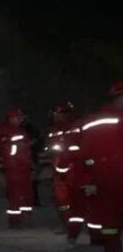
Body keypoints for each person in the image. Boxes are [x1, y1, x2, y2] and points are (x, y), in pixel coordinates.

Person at [78, 82, 123, 252]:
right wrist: (90, 178)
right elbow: (86, 153)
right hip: (106, 178)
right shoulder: (100, 121)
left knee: (109, 219)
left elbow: (86, 154)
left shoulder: (95, 120)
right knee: (110, 220)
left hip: (104, 177)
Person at [46, 102, 86, 241]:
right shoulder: (54, 129)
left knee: (76, 200)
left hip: (72, 169)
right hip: (59, 169)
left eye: (58, 114)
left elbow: (73, 149)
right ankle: (68, 225)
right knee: (61, 201)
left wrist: (64, 165)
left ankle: (76, 229)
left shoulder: (74, 127)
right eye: (54, 114)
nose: (56, 117)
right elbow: (53, 147)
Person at [0, 109, 34, 227]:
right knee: (15, 193)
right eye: (18, 118)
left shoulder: (19, 130)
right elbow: (6, 147)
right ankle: (15, 220)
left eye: (21, 118)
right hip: (14, 167)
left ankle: (25, 216)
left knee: (25, 191)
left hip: (22, 166)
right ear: (11, 118)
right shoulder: (6, 130)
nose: (20, 120)